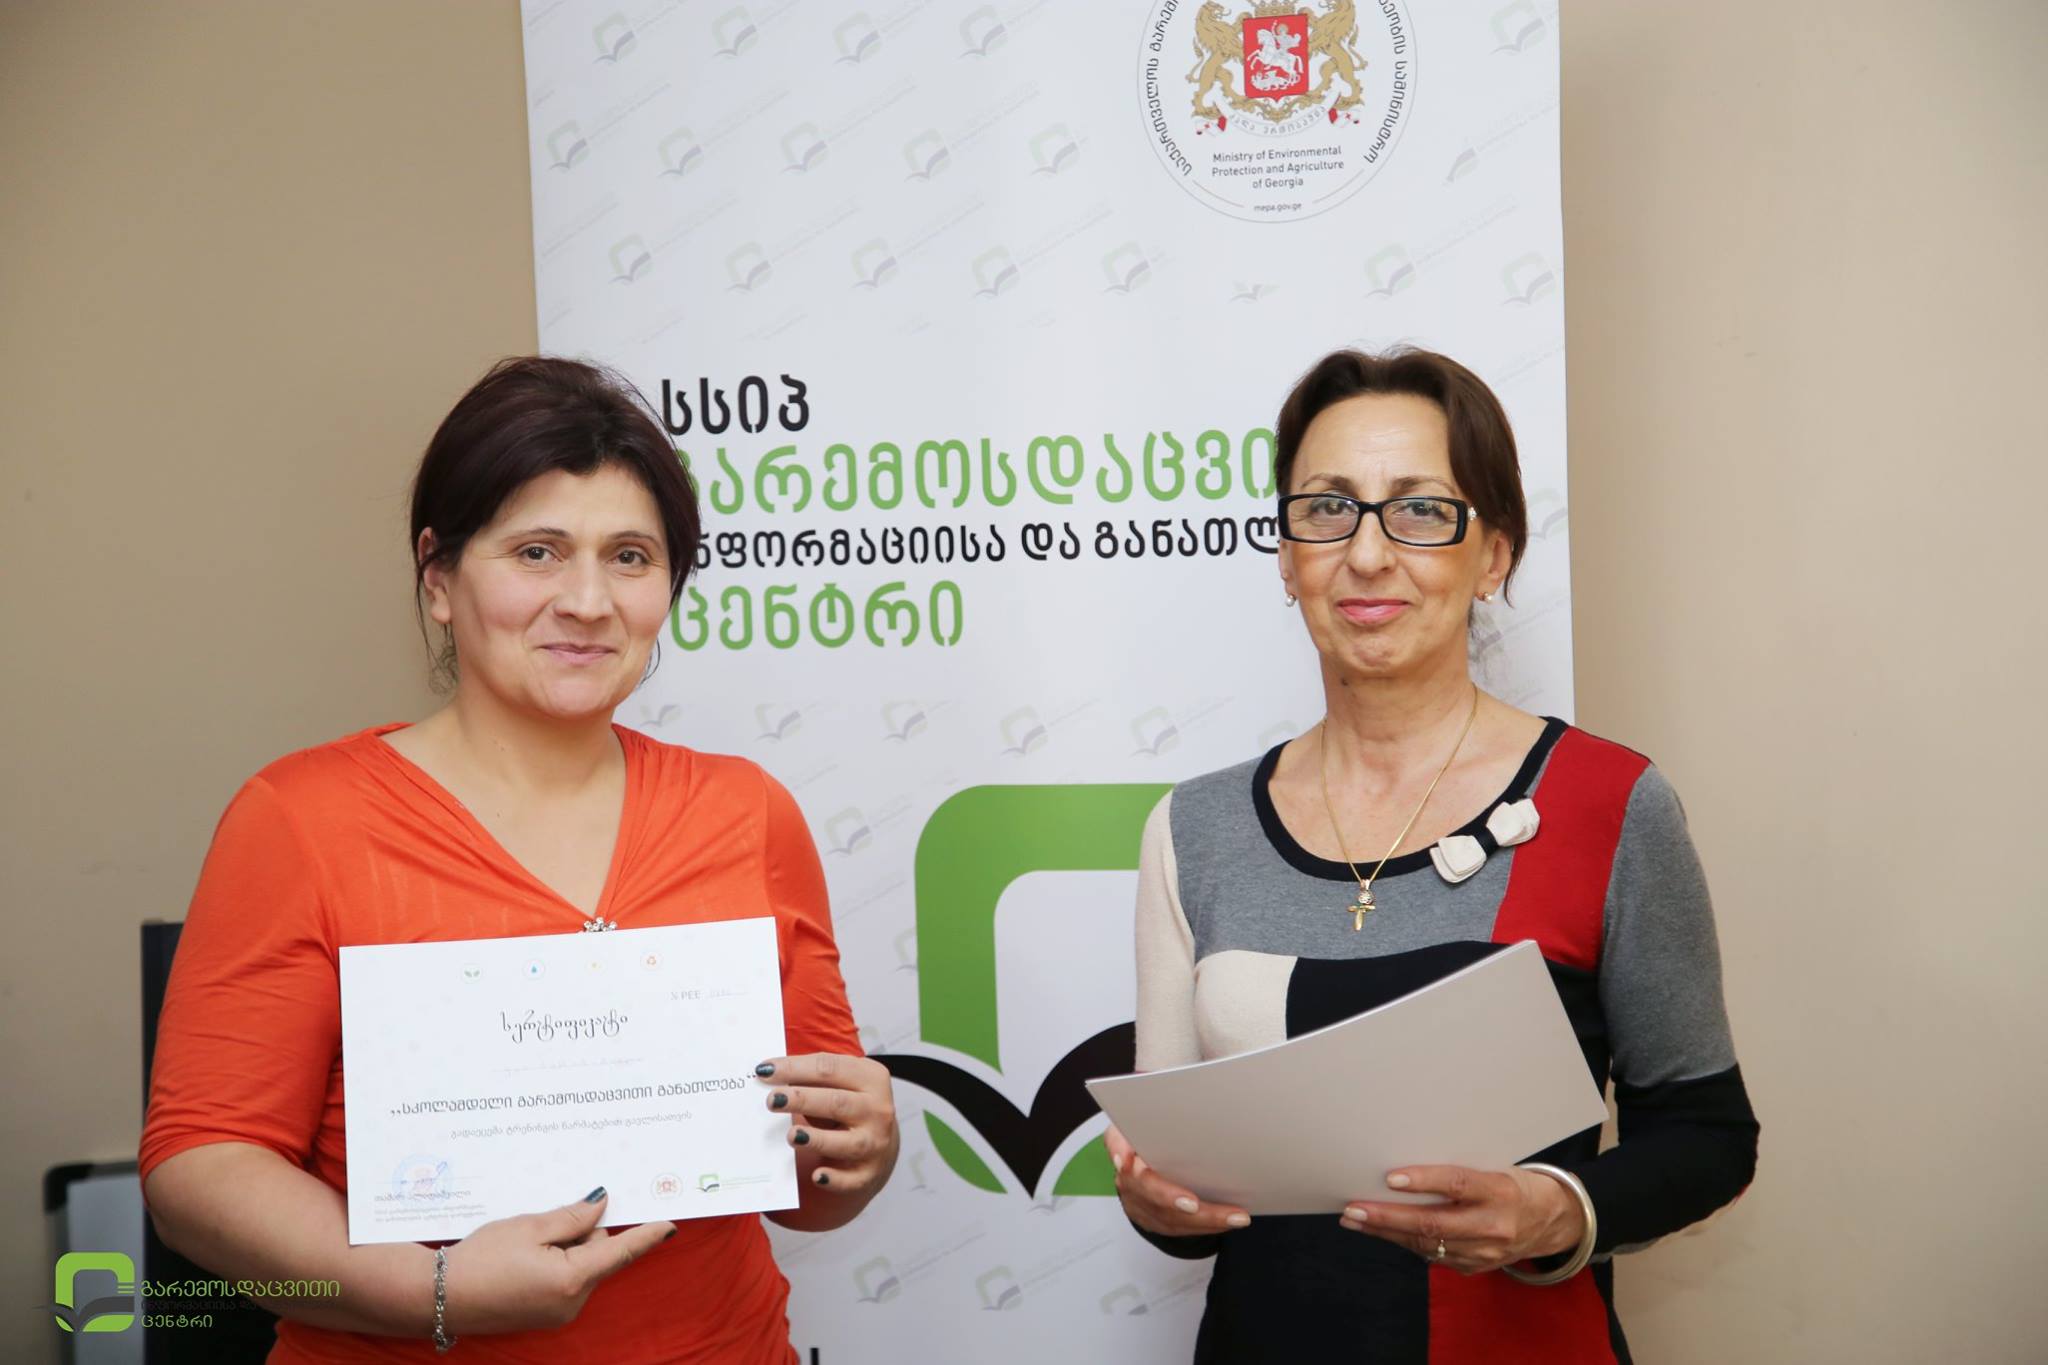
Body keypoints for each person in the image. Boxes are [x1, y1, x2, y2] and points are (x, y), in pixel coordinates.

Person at [139, 357, 898, 1363]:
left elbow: (805, 1195)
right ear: (438, 577)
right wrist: (434, 1291)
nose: (587, 600)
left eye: (630, 557)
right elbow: (196, 1176)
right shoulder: (300, 820)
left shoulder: (746, 812)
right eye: (538, 552)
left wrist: (858, 1149)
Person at [1105, 348, 1758, 1363]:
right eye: (1327, 509)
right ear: (1285, 555)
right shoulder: (1194, 828)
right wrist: (1157, 1202)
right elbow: (1173, 1191)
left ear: (1493, 554)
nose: (1366, 554)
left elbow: (1708, 1136)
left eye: (1418, 510)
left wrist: (1557, 1210)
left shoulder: (1607, 803)